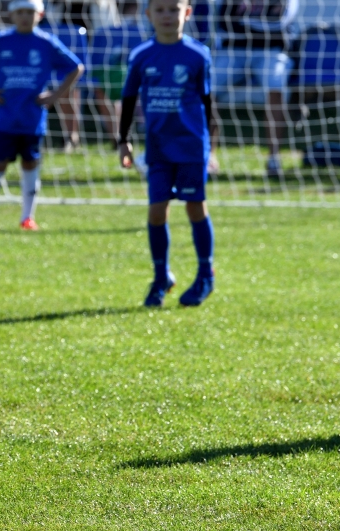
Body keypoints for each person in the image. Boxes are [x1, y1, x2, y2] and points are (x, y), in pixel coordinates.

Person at [118, 0, 216, 307]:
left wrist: (211, 146)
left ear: (186, 13)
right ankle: (161, 276)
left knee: (195, 208)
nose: (167, 16)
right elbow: (128, 99)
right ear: (148, 14)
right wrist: (123, 140)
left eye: (173, 9)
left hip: (190, 146)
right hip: (158, 147)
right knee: (157, 211)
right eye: (159, 10)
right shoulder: (141, 55)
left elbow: (208, 103)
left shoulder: (198, 54)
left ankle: (205, 274)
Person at [0, 0, 84, 232]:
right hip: (4, 118)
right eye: (19, 12)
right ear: (11, 15)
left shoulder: (46, 42)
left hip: (32, 119)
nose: (24, 17)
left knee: (30, 163)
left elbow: (76, 67)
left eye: (30, 12)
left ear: (40, 14)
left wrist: (56, 95)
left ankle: (27, 217)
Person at [212, 0, 298, 179]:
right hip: (233, 50)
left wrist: (244, 21)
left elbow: (279, 22)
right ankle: (209, 158)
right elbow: (224, 21)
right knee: (207, 90)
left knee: (276, 89)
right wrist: (257, 23)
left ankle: (273, 158)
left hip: (271, 50)